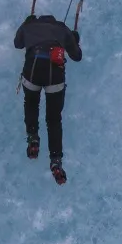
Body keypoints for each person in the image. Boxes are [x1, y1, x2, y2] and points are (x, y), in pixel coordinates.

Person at [13, 13, 82, 185]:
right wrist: (74, 39)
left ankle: (33, 138)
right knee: (53, 119)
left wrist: (25, 23)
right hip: (54, 74)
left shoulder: (29, 26)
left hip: (32, 68)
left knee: (31, 103)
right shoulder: (62, 29)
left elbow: (17, 43)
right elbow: (77, 56)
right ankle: (56, 161)